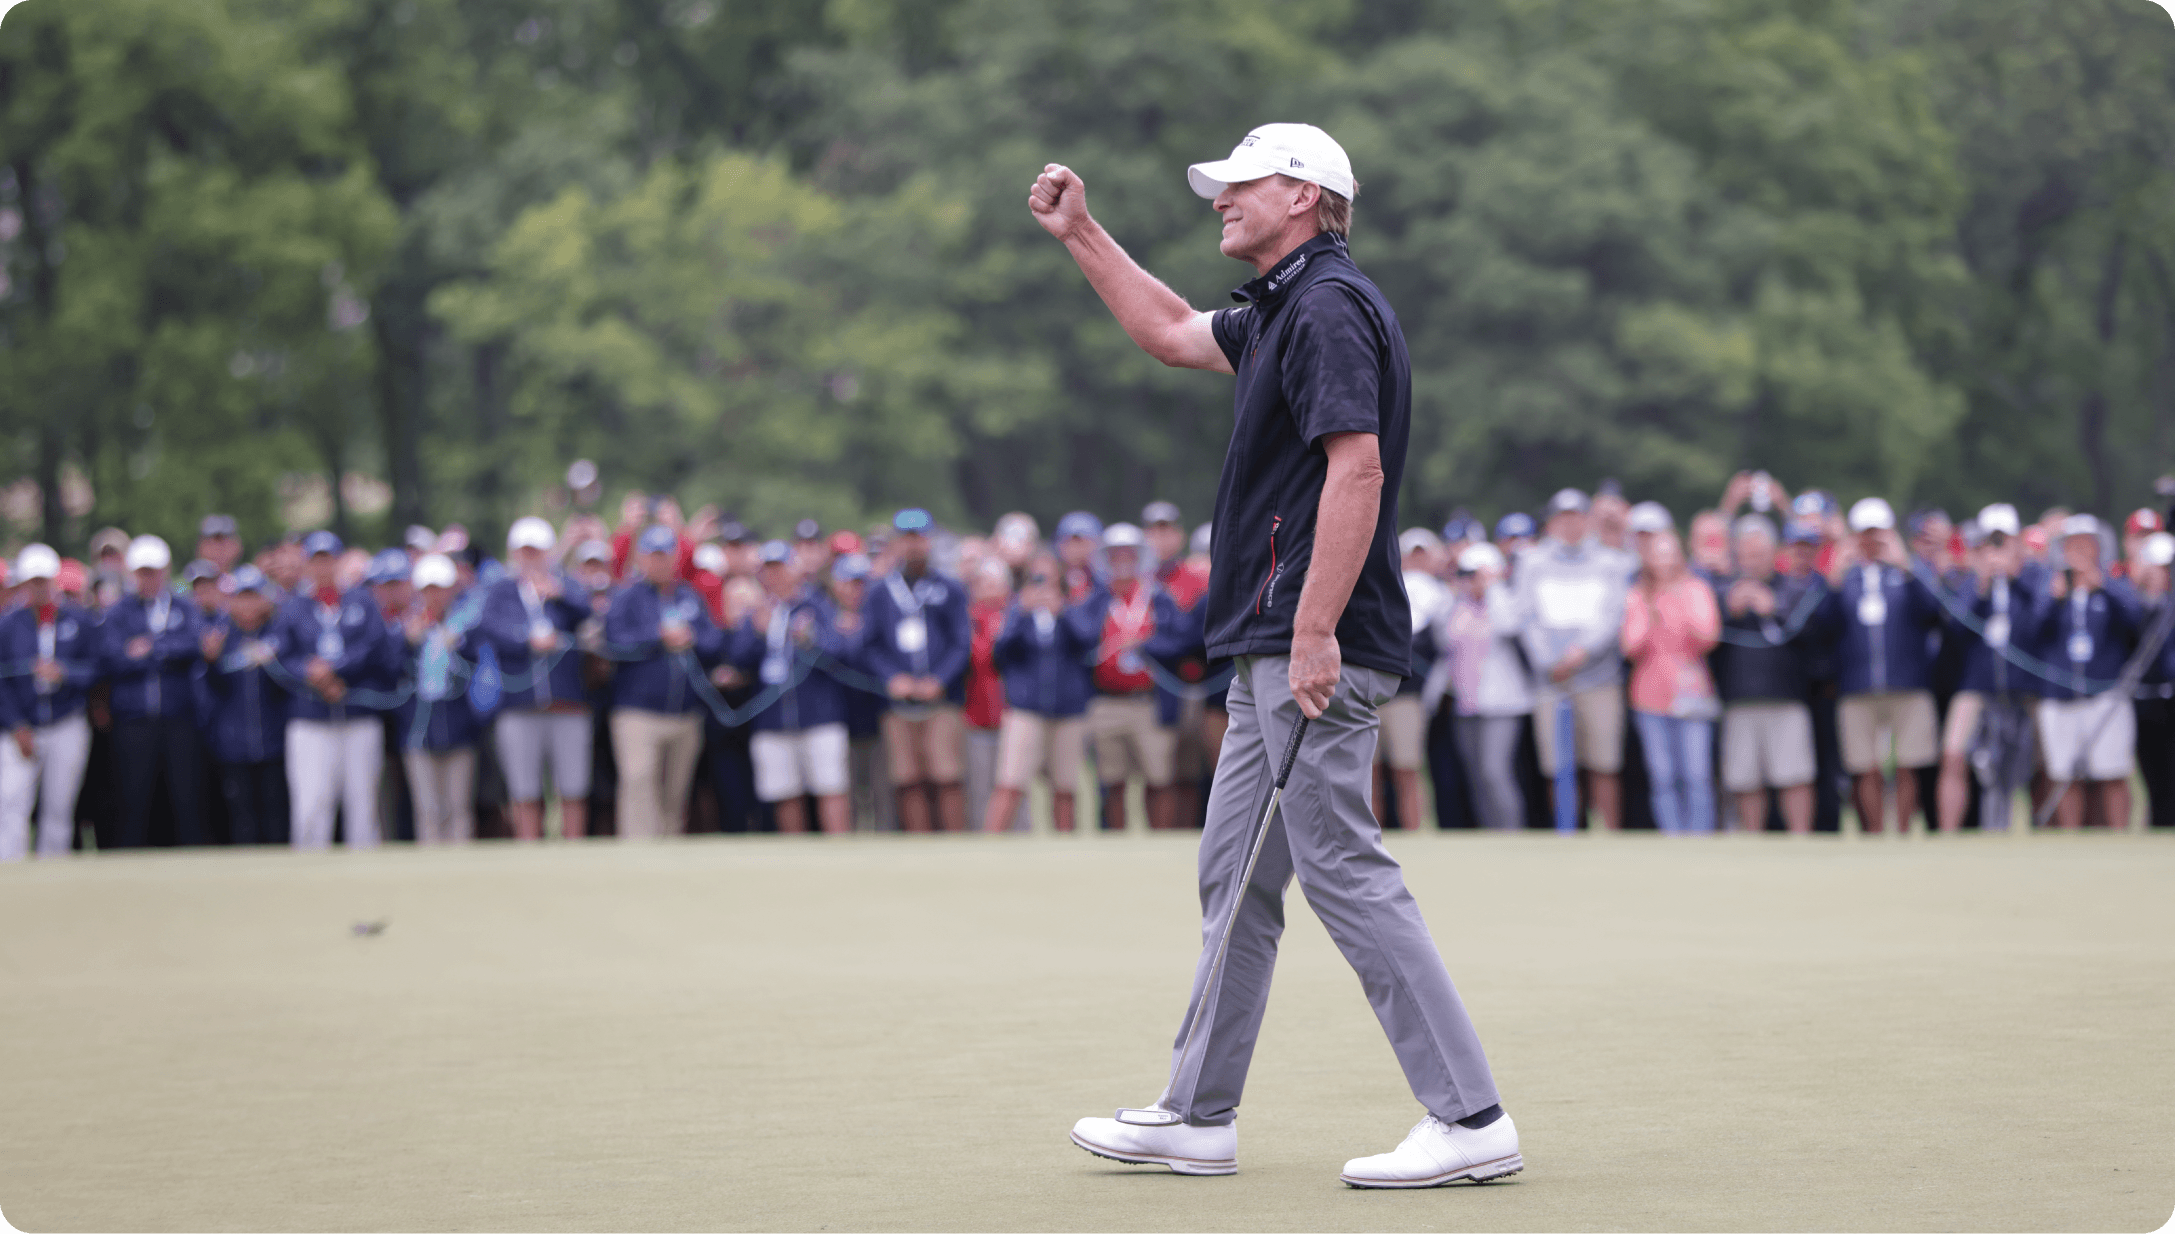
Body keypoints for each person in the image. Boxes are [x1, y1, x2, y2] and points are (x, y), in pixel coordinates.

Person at [1033, 121, 1514, 1185]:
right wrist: (1083, 234)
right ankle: (1198, 1114)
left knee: (1340, 864)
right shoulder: (1283, 306)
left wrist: (1311, 630)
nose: (1220, 199)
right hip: (1276, 640)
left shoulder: (1329, 305)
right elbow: (1164, 330)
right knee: (1236, 875)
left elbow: (1358, 472)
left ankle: (1471, 1115)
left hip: (1312, 641)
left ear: (1302, 195)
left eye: (1238, 184)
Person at [1821, 498, 1943, 833]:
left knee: (1908, 764)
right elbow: (1823, 626)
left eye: (1878, 534)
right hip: (1857, 685)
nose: (1872, 542)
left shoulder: (1910, 573)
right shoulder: (1846, 577)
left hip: (1907, 682)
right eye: (1865, 534)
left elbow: (1933, 612)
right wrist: (1833, 578)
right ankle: (1873, 833)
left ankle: (1902, 831)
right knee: (1865, 766)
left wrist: (1907, 567)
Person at [1515, 488, 1628, 829]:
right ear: (1552, 522)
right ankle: (1567, 835)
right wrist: (1551, 661)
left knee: (1604, 763)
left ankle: (1608, 836)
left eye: (1577, 517)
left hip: (1599, 679)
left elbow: (1612, 616)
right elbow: (1527, 617)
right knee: (1557, 764)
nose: (1571, 524)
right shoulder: (1532, 562)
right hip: (1551, 680)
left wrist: (1580, 653)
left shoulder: (1610, 562)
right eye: (1563, 517)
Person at [475, 517, 595, 841]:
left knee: (573, 785)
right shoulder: (501, 590)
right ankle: (529, 847)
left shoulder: (566, 584)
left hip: (567, 702)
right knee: (524, 787)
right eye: (525, 551)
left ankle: (574, 849)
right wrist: (526, 640)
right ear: (514, 553)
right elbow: (490, 628)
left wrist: (558, 595)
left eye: (537, 551)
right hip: (519, 704)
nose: (531, 558)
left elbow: (587, 613)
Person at [605, 524, 726, 838]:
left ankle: (670, 859)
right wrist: (657, 638)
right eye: (653, 555)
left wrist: (692, 638)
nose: (660, 562)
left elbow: (715, 642)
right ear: (642, 558)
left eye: (666, 555)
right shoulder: (627, 597)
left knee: (675, 794)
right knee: (639, 782)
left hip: (685, 713)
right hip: (637, 712)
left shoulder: (689, 596)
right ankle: (638, 855)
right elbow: (614, 644)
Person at [1071, 522, 1194, 831]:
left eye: (1130, 554)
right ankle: (1115, 844)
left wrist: (1145, 645)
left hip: (1149, 702)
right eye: (1115, 555)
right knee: (1112, 779)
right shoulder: (1096, 599)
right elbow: (1079, 640)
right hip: (1106, 701)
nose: (1123, 561)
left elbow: (1183, 642)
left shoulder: (1159, 598)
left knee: (1159, 777)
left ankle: (1160, 840)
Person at [274, 530, 390, 849]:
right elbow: (282, 656)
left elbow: (375, 646)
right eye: (316, 561)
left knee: (363, 804)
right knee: (311, 803)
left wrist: (336, 670)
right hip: (310, 719)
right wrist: (309, 672)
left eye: (328, 560)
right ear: (307, 565)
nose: (323, 568)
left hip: (357, 714)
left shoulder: (362, 601)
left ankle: (365, 879)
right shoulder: (293, 606)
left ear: (339, 561)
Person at [729, 541, 854, 835]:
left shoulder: (816, 605)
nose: (775, 576)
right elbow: (737, 658)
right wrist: (757, 632)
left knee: (830, 786)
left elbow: (839, 650)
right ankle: (794, 857)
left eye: (780, 569)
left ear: (794, 570)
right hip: (773, 718)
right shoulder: (758, 610)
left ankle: (840, 851)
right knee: (784, 792)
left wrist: (810, 637)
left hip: (819, 714)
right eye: (768, 570)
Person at [862, 509, 972, 833]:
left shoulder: (949, 588)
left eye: (920, 538)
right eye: (907, 539)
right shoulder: (881, 591)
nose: (914, 546)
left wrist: (940, 679)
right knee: (907, 777)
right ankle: (919, 845)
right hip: (899, 701)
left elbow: (960, 642)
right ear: (896, 543)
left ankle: (953, 843)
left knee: (947, 774)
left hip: (941, 699)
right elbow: (870, 645)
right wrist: (891, 678)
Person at [1935, 505, 2041, 833]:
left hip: (2025, 686)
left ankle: (2046, 831)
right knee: (1954, 756)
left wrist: (2014, 576)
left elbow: (2042, 625)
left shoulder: (2034, 576)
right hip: (1977, 685)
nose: (1996, 549)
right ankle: (1949, 834)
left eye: (2003, 540)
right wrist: (1982, 583)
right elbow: (1955, 631)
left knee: (2045, 762)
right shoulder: (1969, 580)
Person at [1714, 515, 1822, 834]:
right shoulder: (1723, 590)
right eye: (1746, 555)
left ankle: (1800, 839)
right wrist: (1729, 611)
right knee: (1745, 779)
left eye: (1759, 555)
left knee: (1795, 775)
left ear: (1773, 553)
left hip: (1786, 698)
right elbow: (1704, 637)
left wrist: (1773, 608)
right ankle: (1753, 841)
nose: (1752, 562)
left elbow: (1813, 637)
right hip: (1739, 699)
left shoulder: (1793, 588)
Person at [2033, 514, 2142, 830]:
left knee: (2112, 770)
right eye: (2072, 544)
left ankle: (2119, 833)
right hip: (2060, 695)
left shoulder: (2112, 582)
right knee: (2066, 774)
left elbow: (2135, 621)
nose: (2078, 550)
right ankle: (2072, 837)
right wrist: (2054, 600)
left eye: (2085, 543)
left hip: (2105, 692)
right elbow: (2033, 632)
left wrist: (2103, 586)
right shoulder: (2052, 585)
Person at [100, 535, 207, 848]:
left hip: (180, 718)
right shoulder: (120, 611)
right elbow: (112, 656)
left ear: (165, 569)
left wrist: (151, 648)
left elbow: (193, 645)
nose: (148, 578)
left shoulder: (184, 606)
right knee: (133, 798)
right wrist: (160, 651)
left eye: (153, 571)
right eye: (142, 572)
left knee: (185, 797)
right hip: (134, 719)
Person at [1620, 530, 1722, 833]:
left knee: (1696, 773)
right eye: (1657, 553)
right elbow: (1630, 646)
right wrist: (1651, 615)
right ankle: (1672, 834)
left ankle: (1700, 834)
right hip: (1649, 696)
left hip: (1691, 692)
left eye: (1669, 552)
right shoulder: (1638, 594)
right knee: (1662, 774)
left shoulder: (1695, 589)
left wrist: (1678, 605)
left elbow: (1708, 636)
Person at [0, 544, 97, 859]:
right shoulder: (8, 624)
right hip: (20, 728)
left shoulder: (78, 620)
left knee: (58, 808)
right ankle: (10, 873)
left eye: (44, 580)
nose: (39, 588)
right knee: (12, 804)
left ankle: (52, 874)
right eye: (33, 581)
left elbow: (97, 669)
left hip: (66, 722)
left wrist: (64, 673)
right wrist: (16, 725)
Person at [1427, 542, 1531, 830]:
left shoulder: (1504, 602)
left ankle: (1511, 832)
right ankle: (1489, 834)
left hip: (1502, 704)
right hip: (1465, 703)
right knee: (1475, 774)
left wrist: (1493, 586)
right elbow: (1441, 638)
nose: (1469, 580)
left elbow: (1508, 626)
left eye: (1475, 574)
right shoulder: (1457, 606)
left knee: (1495, 771)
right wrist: (1455, 588)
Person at [986, 560, 1095, 833]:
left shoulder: (1072, 610)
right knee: (1010, 782)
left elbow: (1088, 644)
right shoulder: (1017, 614)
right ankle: (990, 843)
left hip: (1068, 711)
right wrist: (1021, 613)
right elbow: (999, 655)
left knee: (1065, 787)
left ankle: (1065, 848)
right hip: (1026, 710)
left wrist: (1064, 613)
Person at [198, 565, 290, 845]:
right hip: (234, 747)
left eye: (253, 596)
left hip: (274, 744)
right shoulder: (222, 638)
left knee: (276, 818)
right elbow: (215, 691)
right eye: (241, 597)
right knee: (242, 821)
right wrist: (211, 661)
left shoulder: (280, 633)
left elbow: (287, 684)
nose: (248, 604)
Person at [394, 554, 481, 844]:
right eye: (427, 589)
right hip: (417, 731)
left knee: (459, 807)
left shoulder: (467, 625)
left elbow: (477, 670)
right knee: (428, 809)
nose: (434, 595)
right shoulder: (405, 628)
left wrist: (458, 645)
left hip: (460, 728)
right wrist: (407, 643)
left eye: (439, 588)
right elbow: (391, 671)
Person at [963, 558, 1013, 830]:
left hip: (1013, 714)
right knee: (980, 786)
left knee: (1014, 785)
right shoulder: (967, 618)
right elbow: (979, 658)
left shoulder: (1017, 615)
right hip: (976, 714)